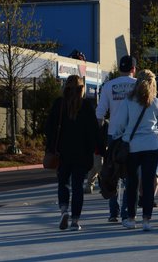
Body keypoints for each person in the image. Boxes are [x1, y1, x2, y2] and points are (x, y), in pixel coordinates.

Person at [112, 69, 158, 231]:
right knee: (148, 183)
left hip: (132, 146)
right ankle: (146, 219)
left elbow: (119, 125)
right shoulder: (157, 103)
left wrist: (119, 136)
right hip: (152, 145)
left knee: (132, 183)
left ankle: (131, 218)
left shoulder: (128, 102)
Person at [45, 75, 98, 231]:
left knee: (63, 183)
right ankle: (75, 220)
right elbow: (93, 132)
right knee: (77, 187)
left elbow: (49, 128)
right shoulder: (86, 106)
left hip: (62, 152)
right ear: (82, 89)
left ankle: (63, 210)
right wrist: (97, 149)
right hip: (81, 154)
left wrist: (51, 147)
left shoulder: (59, 105)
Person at [95, 55, 137, 222]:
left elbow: (99, 114)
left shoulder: (108, 86)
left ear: (120, 69)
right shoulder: (138, 85)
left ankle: (114, 212)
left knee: (112, 172)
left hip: (113, 134)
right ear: (134, 69)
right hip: (133, 135)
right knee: (130, 174)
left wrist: (99, 135)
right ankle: (127, 210)